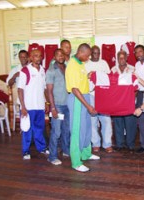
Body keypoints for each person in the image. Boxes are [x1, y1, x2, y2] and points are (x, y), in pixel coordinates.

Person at [65, 43, 100, 173]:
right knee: (77, 131)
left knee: (86, 129)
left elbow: (79, 81)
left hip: (85, 96)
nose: (89, 57)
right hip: (78, 100)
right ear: (81, 52)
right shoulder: (72, 65)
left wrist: (87, 76)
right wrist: (88, 105)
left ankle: (86, 153)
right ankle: (76, 162)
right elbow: (74, 88)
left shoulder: (81, 64)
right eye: (87, 55)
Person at [18, 49, 49, 160]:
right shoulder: (25, 70)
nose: (38, 58)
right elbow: (20, 89)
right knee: (27, 130)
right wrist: (23, 107)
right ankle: (25, 151)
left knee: (39, 129)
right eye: (35, 56)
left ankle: (41, 148)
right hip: (28, 107)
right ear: (31, 57)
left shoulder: (43, 70)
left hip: (39, 106)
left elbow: (44, 88)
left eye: (40, 56)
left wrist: (46, 102)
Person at [85, 45, 113, 153]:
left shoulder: (104, 63)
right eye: (94, 53)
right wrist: (89, 75)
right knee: (93, 120)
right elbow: (83, 78)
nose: (96, 55)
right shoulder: (86, 64)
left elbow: (109, 78)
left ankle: (107, 144)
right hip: (91, 95)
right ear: (91, 53)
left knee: (106, 120)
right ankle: (95, 143)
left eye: (98, 53)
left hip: (104, 96)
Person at [46, 49, 70, 165]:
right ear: (54, 57)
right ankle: (52, 156)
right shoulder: (51, 70)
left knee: (66, 130)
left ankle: (65, 150)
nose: (61, 57)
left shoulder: (67, 68)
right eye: (58, 55)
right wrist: (53, 108)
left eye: (62, 55)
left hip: (67, 105)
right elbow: (49, 91)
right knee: (56, 132)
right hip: (58, 106)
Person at [111, 51, 137, 153]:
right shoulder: (113, 70)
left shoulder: (132, 69)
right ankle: (119, 144)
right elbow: (111, 86)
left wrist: (131, 99)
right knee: (118, 122)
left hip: (129, 100)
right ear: (117, 59)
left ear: (126, 58)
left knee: (130, 123)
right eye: (119, 58)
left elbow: (136, 85)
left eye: (123, 58)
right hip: (117, 101)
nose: (121, 60)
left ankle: (130, 144)